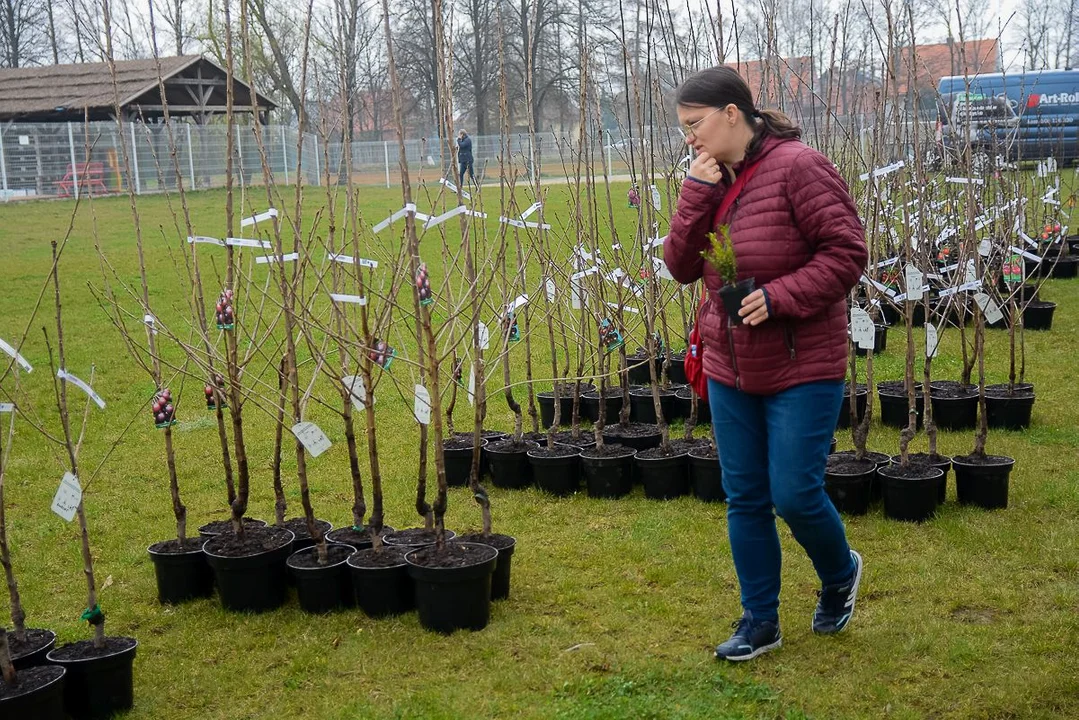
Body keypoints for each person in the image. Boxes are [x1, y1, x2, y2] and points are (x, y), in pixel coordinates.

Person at [663, 66, 869, 662]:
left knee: (795, 493)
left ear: (733, 112)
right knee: (745, 496)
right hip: (730, 364)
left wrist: (779, 297)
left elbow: (847, 251)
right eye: (682, 129)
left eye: (694, 125)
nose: (689, 139)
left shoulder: (800, 167)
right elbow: (680, 267)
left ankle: (838, 573)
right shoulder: (707, 178)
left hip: (802, 362)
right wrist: (694, 194)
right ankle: (760, 621)